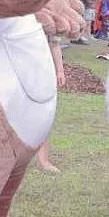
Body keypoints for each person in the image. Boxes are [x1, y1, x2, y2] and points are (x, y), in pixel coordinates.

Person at [34, 39, 67, 174]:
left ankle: (44, 160)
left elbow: (54, 43)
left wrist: (60, 70)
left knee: (43, 115)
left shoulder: (48, 20)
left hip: (41, 70)